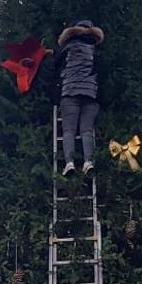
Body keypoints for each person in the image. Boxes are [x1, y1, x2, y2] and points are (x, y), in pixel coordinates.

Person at [56, 19, 104, 176]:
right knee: (86, 131)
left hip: (70, 92)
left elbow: (55, 66)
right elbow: (100, 71)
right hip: (90, 94)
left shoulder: (66, 48)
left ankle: (69, 163)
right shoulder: (95, 50)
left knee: (69, 131)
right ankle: (88, 162)